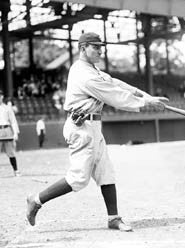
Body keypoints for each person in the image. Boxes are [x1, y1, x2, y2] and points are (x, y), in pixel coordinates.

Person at [26, 32, 168, 232]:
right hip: (81, 127)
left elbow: (116, 83)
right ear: (82, 48)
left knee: (106, 172)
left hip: (93, 126)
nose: (100, 50)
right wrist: (146, 103)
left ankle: (113, 218)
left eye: (101, 46)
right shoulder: (83, 74)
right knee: (78, 179)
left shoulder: (93, 70)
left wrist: (146, 95)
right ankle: (36, 200)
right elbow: (113, 95)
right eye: (95, 46)